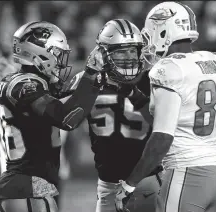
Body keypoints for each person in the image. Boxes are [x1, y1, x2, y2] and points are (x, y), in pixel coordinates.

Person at [114, 2, 216, 212]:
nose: (148, 42)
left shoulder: (168, 69)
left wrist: (129, 184)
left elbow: (162, 137)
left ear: (163, 31)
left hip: (186, 176)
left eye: (150, 34)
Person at [0, 21, 107, 212]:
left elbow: (68, 96)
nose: (60, 61)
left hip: (24, 186)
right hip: (28, 185)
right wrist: (91, 75)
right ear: (39, 53)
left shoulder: (26, 83)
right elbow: (66, 118)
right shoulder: (25, 85)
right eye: (57, 54)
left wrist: (92, 74)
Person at [64, 19, 162, 212]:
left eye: (133, 50)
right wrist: (89, 80)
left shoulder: (153, 80)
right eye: (121, 51)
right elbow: (67, 120)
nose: (129, 57)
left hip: (147, 181)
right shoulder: (87, 81)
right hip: (108, 184)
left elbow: (163, 129)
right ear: (104, 53)